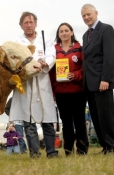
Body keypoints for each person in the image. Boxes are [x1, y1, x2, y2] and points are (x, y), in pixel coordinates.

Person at [9, 11, 58, 158]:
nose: (29, 25)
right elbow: (13, 59)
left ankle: (52, 152)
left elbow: (51, 55)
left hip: (42, 82)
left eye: (31, 22)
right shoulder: (16, 41)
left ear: (35, 23)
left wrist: (45, 63)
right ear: (21, 25)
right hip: (26, 84)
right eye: (26, 23)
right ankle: (35, 154)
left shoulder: (45, 38)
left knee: (47, 119)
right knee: (28, 122)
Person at [49, 22, 89, 156]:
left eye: (67, 30)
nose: (64, 33)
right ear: (58, 34)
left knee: (79, 121)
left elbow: (86, 68)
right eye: (61, 31)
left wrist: (75, 75)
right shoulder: (53, 50)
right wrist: (53, 92)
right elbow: (50, 73)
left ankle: (82, 149)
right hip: (61, 93)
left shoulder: (80, 49)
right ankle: (68, 150)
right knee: (66, 123)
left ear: (72, 32)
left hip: (78, 92)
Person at [81, 4, 114, 154]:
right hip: (89, 83)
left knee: (106, 116)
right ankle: (105, 146)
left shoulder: (106, 29)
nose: (87, 17)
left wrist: (106, 79)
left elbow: (109, 56)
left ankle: (112, 145)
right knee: (96, 116)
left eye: (89, 14)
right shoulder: (85, 35)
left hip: (102, 81)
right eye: (84, 16)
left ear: (96, 13)